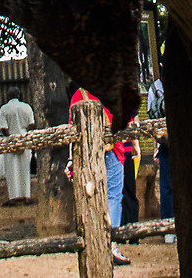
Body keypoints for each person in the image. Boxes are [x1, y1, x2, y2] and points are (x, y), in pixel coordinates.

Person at [70, 88, 131, 267]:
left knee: (90, 197)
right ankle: (111, 244)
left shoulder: (77, 95)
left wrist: (71, 160)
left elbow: (72, 128)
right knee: (113, 196)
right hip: (112, 149)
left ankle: (94, 243)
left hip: (87, 153)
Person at [0, 88, 36, 204]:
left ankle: (13, 197)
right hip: (24, 139)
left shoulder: (4, 109)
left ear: (8, 96)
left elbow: (3, 128)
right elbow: (32, 124)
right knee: (25, 169)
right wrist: (24, 135)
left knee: (11, 170)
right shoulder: (26, 107)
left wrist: (13, 139)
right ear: (19, 95)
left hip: (10, 140)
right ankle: (27, 196)